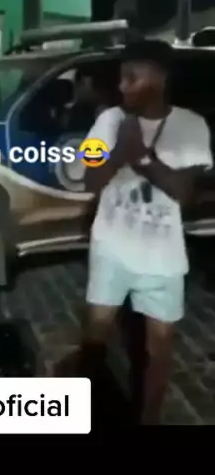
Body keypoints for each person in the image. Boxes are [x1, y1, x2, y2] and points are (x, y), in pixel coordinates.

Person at [79, 38, 213, 425]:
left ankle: (149, 419)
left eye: (132, 77)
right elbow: (90, 180)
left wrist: (140, 156)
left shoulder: (191, 126)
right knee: (96, 335)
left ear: (160, 78)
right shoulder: (107, 121)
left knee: (160, 347)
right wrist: (117, 153)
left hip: (162, 258)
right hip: (110, 249)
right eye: (121, 78)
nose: (123, 87)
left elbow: (184, 193)